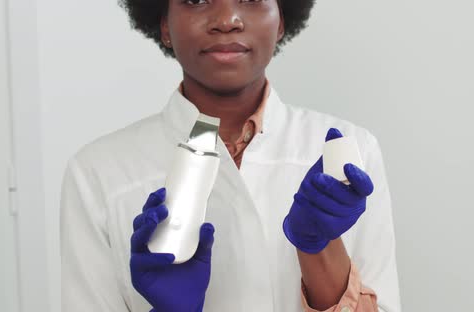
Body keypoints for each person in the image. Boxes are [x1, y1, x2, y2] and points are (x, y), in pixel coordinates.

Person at [60, 0, 401, 311]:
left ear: (281, 19)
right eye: (196, 0)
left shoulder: (349, 152)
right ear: (164, 23)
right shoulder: (97, 173)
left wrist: (320, 248)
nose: (227, 20)